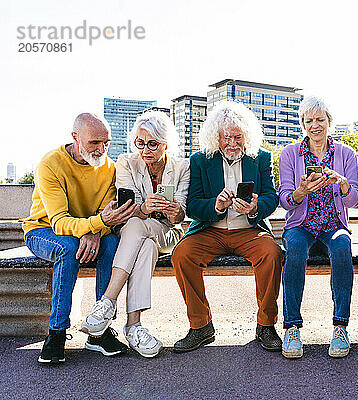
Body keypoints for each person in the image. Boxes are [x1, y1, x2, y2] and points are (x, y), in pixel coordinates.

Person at [22, 113, 137, 364]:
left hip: (92, 231)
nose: (101, 149)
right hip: (43, 231)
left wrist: (96, 230)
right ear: (75, 137)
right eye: (94, 143)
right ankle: (57, 332)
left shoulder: (109, 168)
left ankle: (100, 329)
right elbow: (59, 221)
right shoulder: (50, 163)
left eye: (106, 142)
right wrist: (97, 224)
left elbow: (112, 215)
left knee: (112, 245)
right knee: (68, 248)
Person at [170, 100, 283, 353]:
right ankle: (200, 326)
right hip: (210, 229)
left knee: (272, 253)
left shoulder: (261, 157)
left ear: (247, 136)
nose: (232, 143)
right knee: (182, 254)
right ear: (215, 137)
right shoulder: (199, 160)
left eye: (238, 137)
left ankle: (266, 324)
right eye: (226, 137)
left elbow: (270, 197)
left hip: (249, 230)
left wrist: (254, 206)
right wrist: (217, 206)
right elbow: (193, 204)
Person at [80, 111, 189, 358]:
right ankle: (134, 326)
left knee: (139, 229)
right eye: (140, 143)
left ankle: (107, 302)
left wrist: (174, 212)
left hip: (167, 232)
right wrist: (143, 208)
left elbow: (181, 215)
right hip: (137, 232)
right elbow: (127, 209)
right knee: (144, 242)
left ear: (165, 144)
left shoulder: (182, 166)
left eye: (152, 144)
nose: (145, 150)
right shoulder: (126, 162)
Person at [278, 96, 358, 359]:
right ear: (302, 123)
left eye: (320, 120)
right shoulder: (290, 154)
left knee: (342, 247)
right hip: (301, 225)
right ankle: (292, 326)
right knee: (295, 250)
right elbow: (285, 199)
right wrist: (300, 192)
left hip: (333, 225)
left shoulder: (346, 154)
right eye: (309, 120)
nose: (315, 125)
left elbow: (355, 198)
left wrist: (343, 184)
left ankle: (340, 326)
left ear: (329, 122)